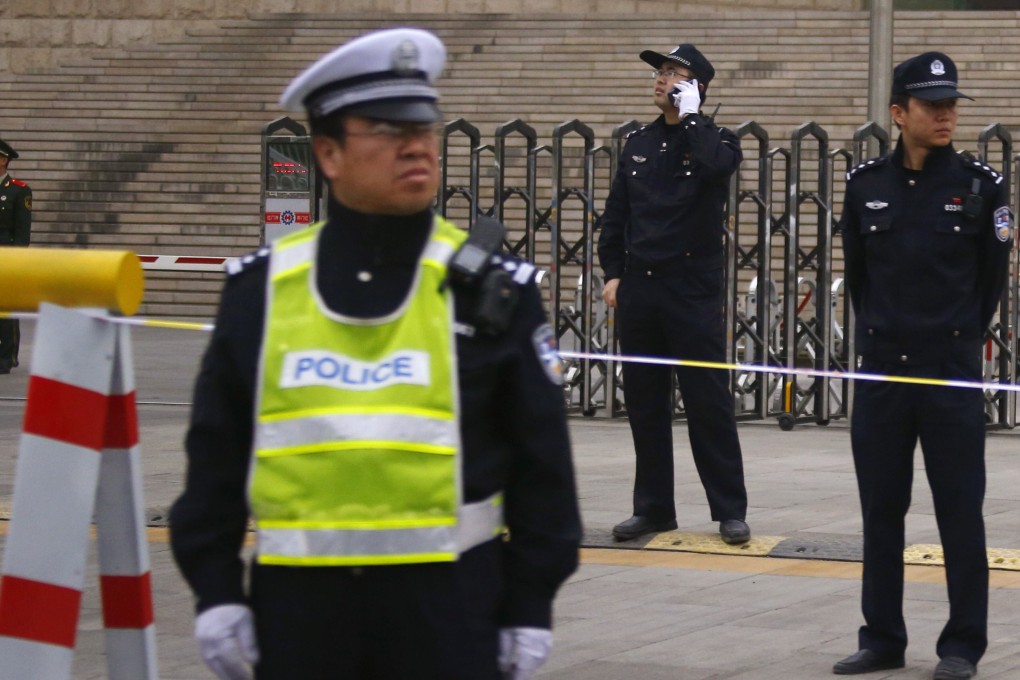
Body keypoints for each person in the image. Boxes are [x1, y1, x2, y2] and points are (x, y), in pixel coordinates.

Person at [169, 28, 581, 680]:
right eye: (387, 129)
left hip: (449, 613)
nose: (416, 144)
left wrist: (531, 603)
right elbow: (215, 460)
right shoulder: (262, 292)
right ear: (327, 153)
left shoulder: (491, 291)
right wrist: (217, 591)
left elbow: (543, 469)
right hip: (299, 617)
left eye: (423, 126)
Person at [834, 52, 1012, 680]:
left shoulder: (981, 185)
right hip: (883, 373)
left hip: (948, 373)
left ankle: (962, 644)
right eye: (932, 104)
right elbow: (859, 278)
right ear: (898, 113)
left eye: (951, 104)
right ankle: (881, 638)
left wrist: (955, 340)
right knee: (881, 511)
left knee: (959, 511)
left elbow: (990, 281)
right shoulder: (864, 186)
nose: (945, 114)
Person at [596, 43, 750, 545]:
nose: (660, 78)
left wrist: (692, 118)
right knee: (645, 403)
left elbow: (715, 169)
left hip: (692, 290)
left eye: (672, 72)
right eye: (659, 72)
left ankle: (729, 509)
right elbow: (617, 212)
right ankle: (653, 508)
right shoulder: (638, 141)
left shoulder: (716, 140)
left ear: (695, 86)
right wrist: (613, 271)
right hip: (641, 287)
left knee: (707, 402)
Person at [0, 138, 31, 374]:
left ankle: (6, 356)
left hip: (5, 257)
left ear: (3, 160)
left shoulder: (18, 191)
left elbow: (22, 231)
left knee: (5, 310)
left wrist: (17, 261)